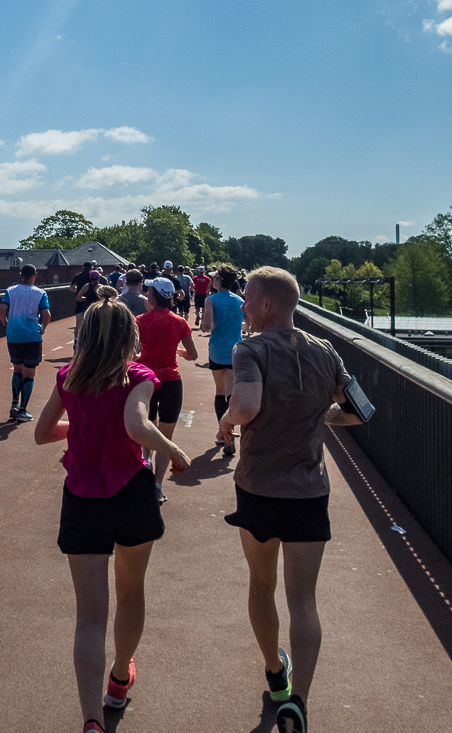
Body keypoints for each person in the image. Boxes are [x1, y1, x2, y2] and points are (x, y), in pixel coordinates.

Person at [34, 288, 192, 733]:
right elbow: (136, 425)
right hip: (130, 494)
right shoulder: (137, 373)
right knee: (130, 594)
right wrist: (174, 450)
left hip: (82, 498)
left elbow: (43, 434)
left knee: (89, 617)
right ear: (129, 335)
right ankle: (120, 677)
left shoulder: (69, 376)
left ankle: (90, 721)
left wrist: (81, 424)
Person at [217, 267, 362, 733]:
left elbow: (246, 407)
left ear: (267, 305)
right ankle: (298, 701)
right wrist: (321, 416)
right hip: (308, 489)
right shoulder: (326, 351)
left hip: (259, 485)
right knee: (304, 601)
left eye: (247, 299)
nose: (242, 306)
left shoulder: (249, 349)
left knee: (261, 585)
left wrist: (224, 426)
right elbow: (361, 411)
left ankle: (276, 674)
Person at [135, 276, 197, 504]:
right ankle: (158, 486)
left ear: (152, 296)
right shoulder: (180, 322)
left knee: (146, 432)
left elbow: (133, 354)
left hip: (146, 381)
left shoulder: (139, 320)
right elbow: (193, 355)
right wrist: (178, 352)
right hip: (172, 381)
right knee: (165, 437)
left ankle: (144, 474)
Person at [0, 263, 52, 423]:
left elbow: (1, 309)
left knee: (17, 370)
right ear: (35, 275)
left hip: (14, 335)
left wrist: (7, 324)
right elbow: (46, 314)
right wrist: (43, 327)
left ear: (21, 275)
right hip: (31, 336)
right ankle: (23, 410)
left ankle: (14, 403)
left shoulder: (10, 291)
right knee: (29, 373)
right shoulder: (41, 293)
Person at [200, 264, 244, 455]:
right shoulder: (239, 300)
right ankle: (229, 432)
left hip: (218, 350)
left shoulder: (211, 300)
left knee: (220, 392)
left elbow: (206, 326)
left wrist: (206, 323)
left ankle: (223, 433)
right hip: (236, 350)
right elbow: (247, 324)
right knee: (231, 394)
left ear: (219, 281)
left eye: (215, 278)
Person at [69, 261, 95, 348]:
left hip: (79, 301)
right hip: (90, 301)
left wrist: (79, 291)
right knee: (90, 322)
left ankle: (76, 340)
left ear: (83, 267)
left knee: (79, 322)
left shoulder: (78, 276)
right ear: (91, 267)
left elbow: (71, 288)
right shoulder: (92, 276)